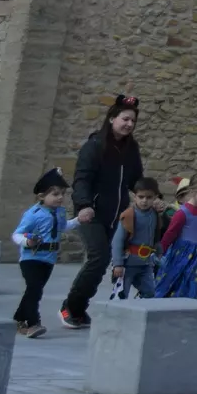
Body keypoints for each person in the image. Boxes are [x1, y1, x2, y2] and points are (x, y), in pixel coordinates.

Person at [61, 94, 144, 330]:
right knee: (99, 258)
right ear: (111, 119)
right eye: (124, 119)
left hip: (115, 215)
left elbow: (136, 179)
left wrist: (153, 196)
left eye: (132, 121)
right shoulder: (94, 146)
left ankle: (78, 308)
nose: (128, 124)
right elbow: (81, 179)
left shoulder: (131, 149)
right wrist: (84, 204)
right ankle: (71, 307)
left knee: (104, 259)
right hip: (91, 213)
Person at [12, 169, 77, 337]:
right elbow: (17, 234)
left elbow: (63, 227)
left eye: (62, 194)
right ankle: (33, 323)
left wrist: (78, 220)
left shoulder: (60, 212)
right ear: (42, 197)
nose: (60, 197)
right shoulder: (33, 214)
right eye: (55, 194)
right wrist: (27, 241)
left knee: (34, 290)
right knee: (35, 290)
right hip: (31, 258)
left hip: (48, 259)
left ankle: (19, 318)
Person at [154, 177, 197, 299]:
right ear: (193, 191)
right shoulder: (182, 213)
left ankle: (187, 302)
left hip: (195, 253)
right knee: (172, 278)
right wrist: (160, 253)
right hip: (181, 253)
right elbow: (170, 234)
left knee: (188, 279)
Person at [110, 176, 169, 300]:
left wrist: (159, 255)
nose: (144, 201)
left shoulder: (155, 215)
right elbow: (117, 241)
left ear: (155, 197)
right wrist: (118, 264)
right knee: (121, 295)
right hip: (128, 264)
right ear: (134, 196)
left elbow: (156, 237)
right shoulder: (128, 215)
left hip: (146, 264)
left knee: (149, 293)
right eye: (141, 197)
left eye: (149, 197)